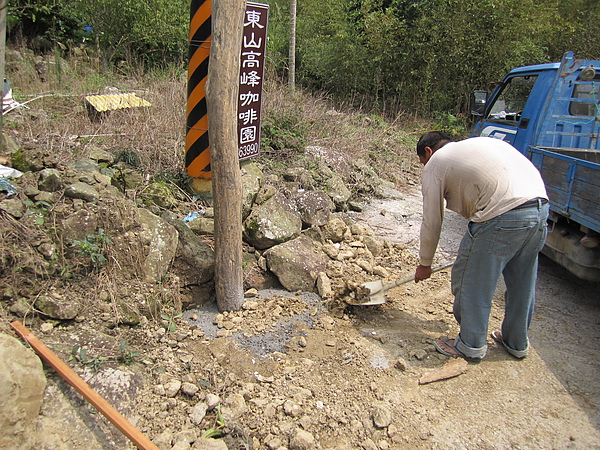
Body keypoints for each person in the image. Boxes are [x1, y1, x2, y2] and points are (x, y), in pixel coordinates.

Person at [414, 131, 549, 362]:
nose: (425, 167)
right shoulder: (478, 145)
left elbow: (432, 219)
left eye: (422, 162)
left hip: (502, 214)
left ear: (428, 151)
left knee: (471, 280)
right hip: (539, 209)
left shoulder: (436, 161)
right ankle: (516, 342)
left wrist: (424, 263)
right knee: (522, 283)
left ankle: (470, 344)